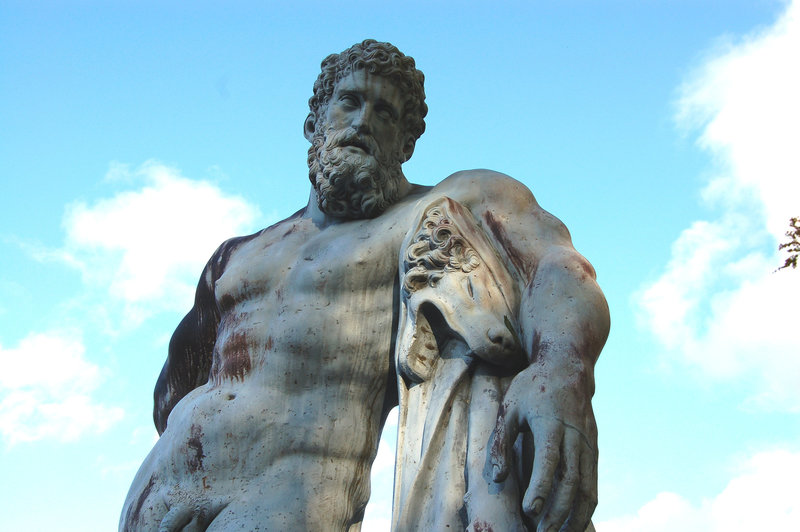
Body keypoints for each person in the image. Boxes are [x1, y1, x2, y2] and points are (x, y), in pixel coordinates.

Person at [120, 39, 609, 532]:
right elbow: (174, 391)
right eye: (350, 102)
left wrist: (561, 368)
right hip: (161, 493)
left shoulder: (446, 203)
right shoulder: (237, 255)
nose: (363, 122)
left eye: (386, 113)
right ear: (315, 123)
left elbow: (555, 270)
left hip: (286, 502)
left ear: (406, 144)